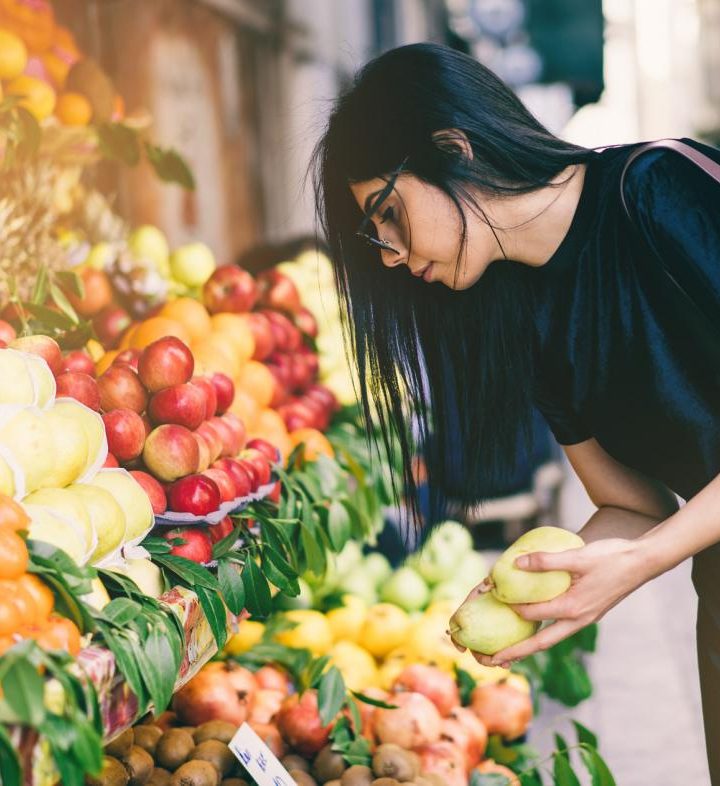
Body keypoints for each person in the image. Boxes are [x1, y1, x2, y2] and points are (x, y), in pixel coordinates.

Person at [310, 42, 720, 780]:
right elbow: (632, 502)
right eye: (376, 236)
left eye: (389, 213)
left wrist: (643, 562)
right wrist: (543, 588)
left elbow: (651, 539)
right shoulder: (529, 319)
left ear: (452, 149)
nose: (392, 257)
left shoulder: (658, 187)